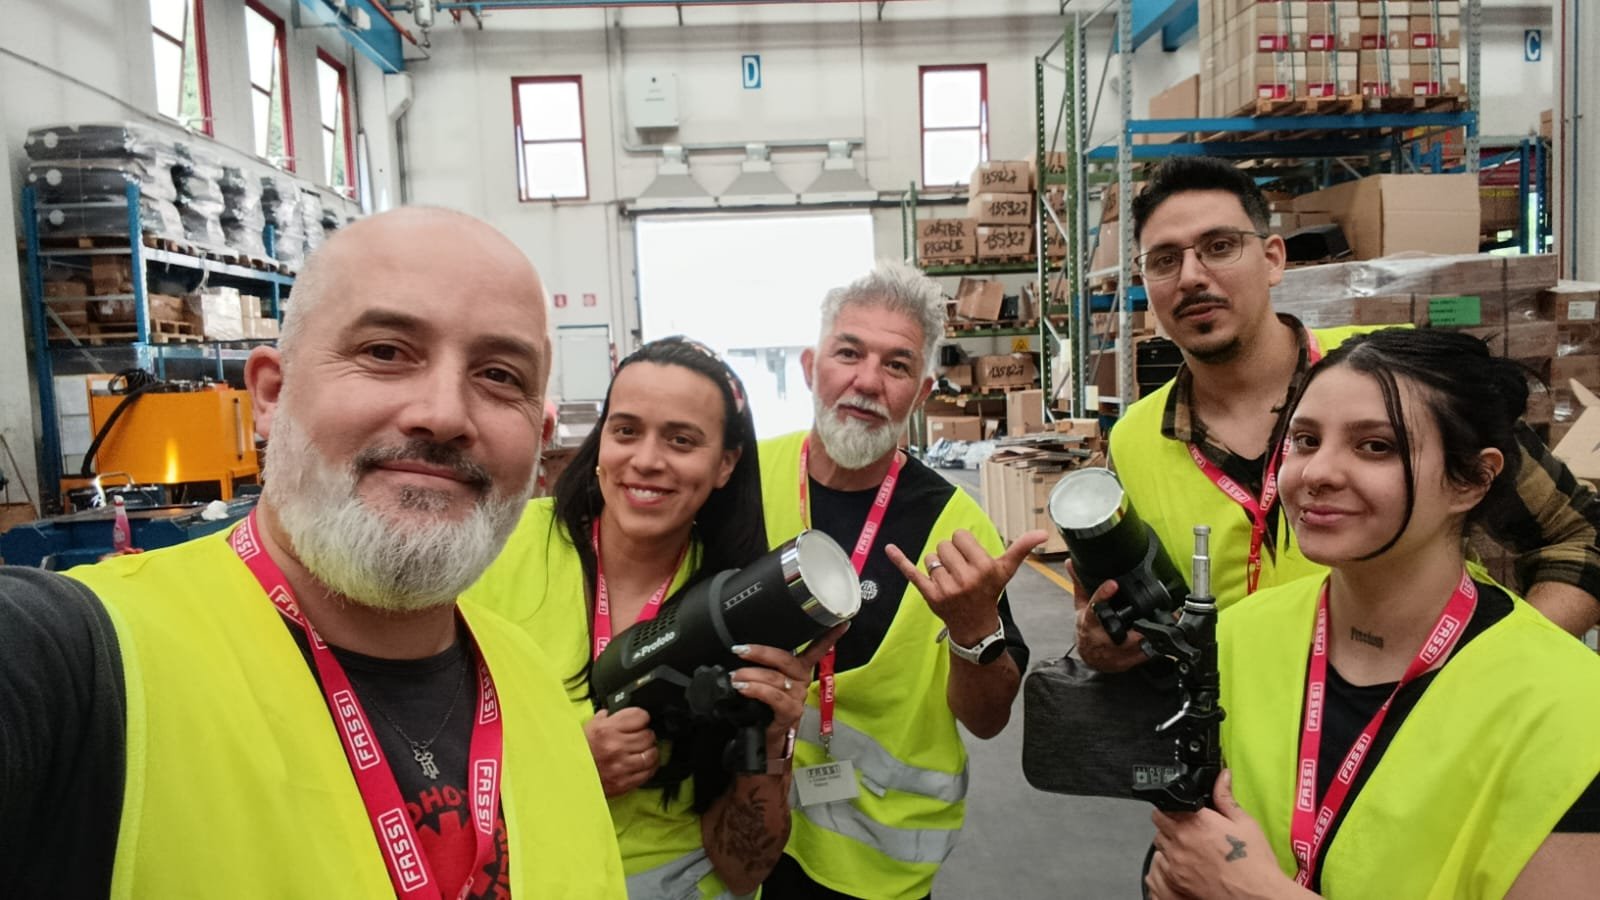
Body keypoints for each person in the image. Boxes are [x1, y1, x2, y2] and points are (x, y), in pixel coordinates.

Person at [0, 207, 625, 896]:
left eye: (500, 375)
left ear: (539, 439)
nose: (444, 415)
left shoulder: (532, 684)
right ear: (271, 393)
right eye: (385, 352)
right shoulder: (76, 661)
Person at [1079, 155, 1600, 672]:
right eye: (1164, 260)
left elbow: (1581, 536)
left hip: (1417, 715)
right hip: (1238, 724)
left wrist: (1489, 672)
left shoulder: (1404, 382)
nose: (1192, 276)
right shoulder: (1133, 440)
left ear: (1273, 259)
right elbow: (1128, 608)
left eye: (1219, 247)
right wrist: (1106, 643)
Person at [1146, 328, 1600, 899]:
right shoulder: (1237, 637)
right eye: (1305, 440)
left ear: (1472, 480)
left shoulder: (1572, 706)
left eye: (1375, 446)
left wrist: (1259, 892)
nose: (1317, 473)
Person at [465, 337, 843, 899]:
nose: (646, 460)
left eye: (681, 440)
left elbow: (744, 870)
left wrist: (769, 742)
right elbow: (415, 760)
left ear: (725, 464)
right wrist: (568, 769)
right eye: (625, 431)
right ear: (600, 443)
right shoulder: (499, 549)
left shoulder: (740, 608)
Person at [756, 261, 1047, 900]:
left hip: (878, 867)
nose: (867, 382)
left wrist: (974, 631)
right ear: (810, 367)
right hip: (741, 838)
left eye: (896, 365)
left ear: (921, 393)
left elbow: (987, 719)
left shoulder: (955, 528)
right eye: (848, 353)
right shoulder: (744, 480)